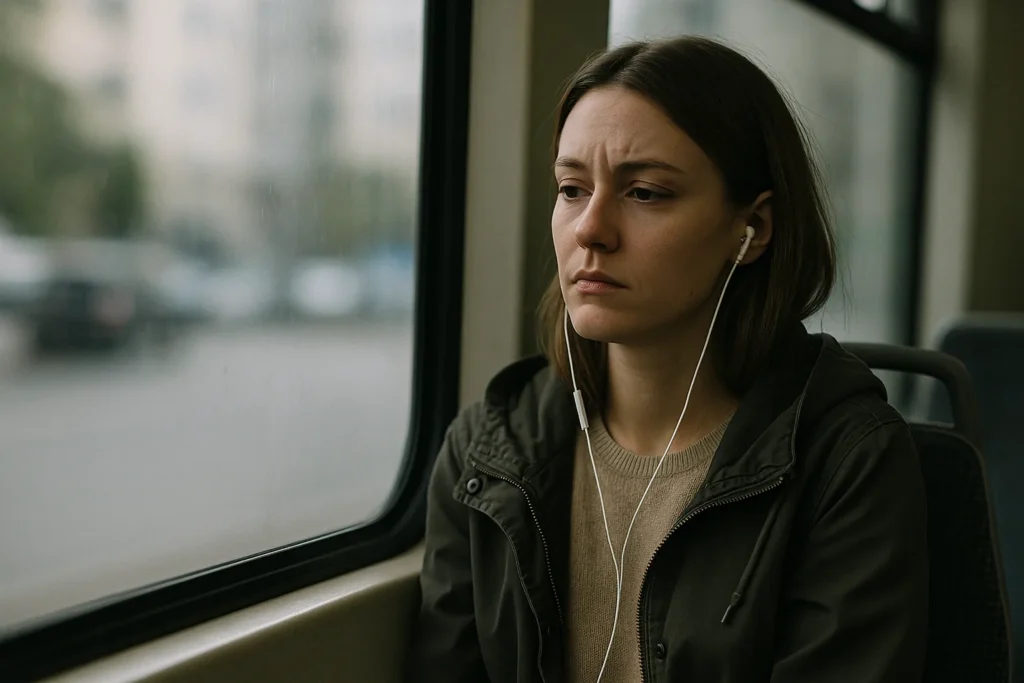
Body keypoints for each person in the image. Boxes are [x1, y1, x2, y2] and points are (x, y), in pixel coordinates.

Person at [404, 35, 928, 683]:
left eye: (645, 192)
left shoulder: (847, 458)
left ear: (753, 229)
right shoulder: (490, 448)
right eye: (571, 189)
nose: (590, 228)